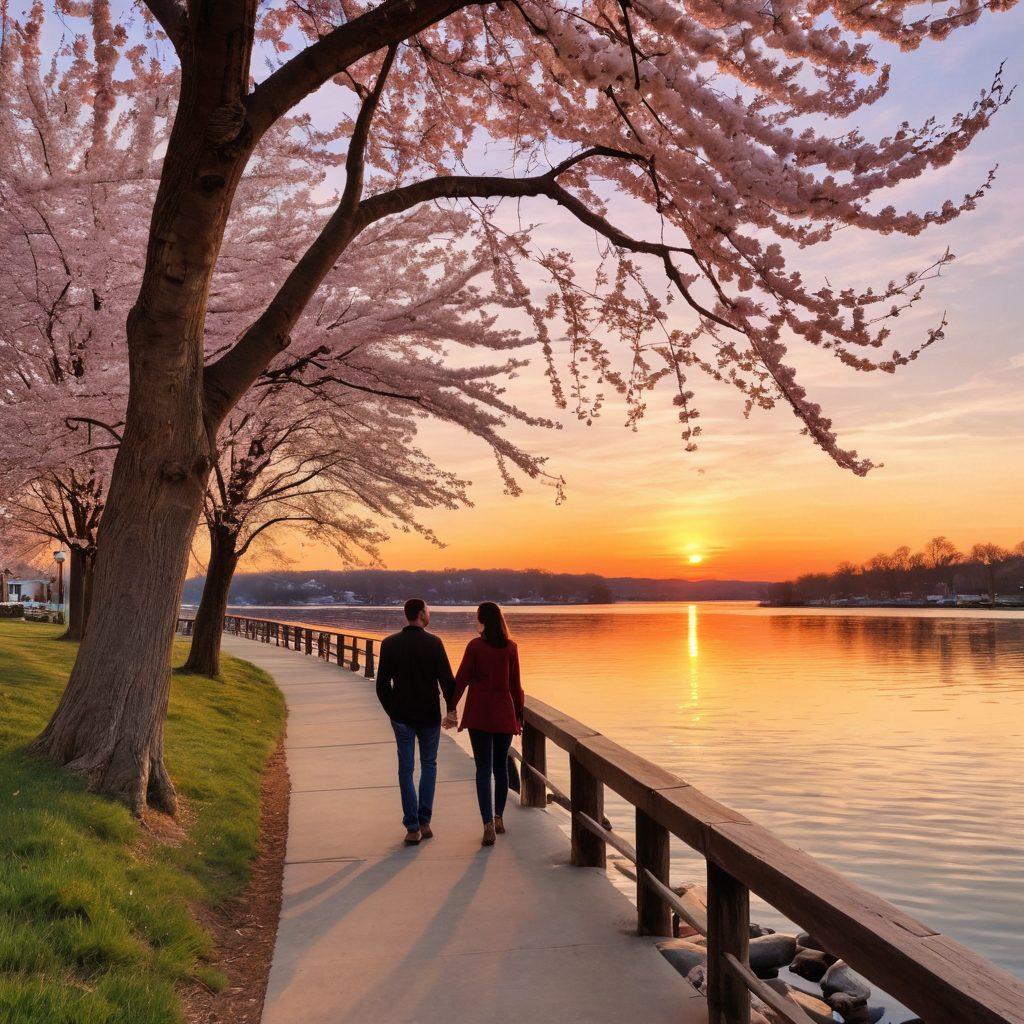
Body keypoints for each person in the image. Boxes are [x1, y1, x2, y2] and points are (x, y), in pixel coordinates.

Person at [376, 598, 456, 845]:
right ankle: (424, 821)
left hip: (402, 716)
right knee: (429, 765)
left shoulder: (390, 644)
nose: (428, 613)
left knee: (406, 769)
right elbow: (447, 681)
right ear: (422, 614)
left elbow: (382, 686)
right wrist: (451, 711)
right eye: (428, 610)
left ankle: (412, 827)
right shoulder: (434, 643)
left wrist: (394, 711)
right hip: (429, 715)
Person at [445, 602, 524, 847]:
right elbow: (516, 686)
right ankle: (499, 817)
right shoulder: (510, 647)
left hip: (479, 713)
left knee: (482, 769)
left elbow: (461, 680)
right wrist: (519, 717)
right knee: (500, 768)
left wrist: (451, 708)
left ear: (481, 620)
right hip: (503, 714)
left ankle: (487, 823)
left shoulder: (475, 647)